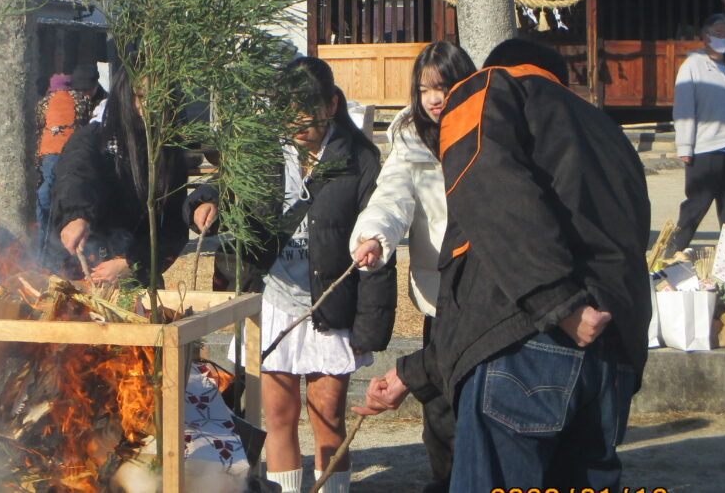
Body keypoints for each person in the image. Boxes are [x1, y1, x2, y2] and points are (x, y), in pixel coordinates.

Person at [354, 39, 651, 492]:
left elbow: (494, 199)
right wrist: (410, 374)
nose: (438, 98)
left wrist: (559, 304)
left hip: (529, 340)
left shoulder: (490, 89)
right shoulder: (605, 128)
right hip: (613, 352)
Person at [186, 57, 395, 493]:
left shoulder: (360, 161)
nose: (298, 120)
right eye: (287, 108)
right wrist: (201, 204)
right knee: (278, 418)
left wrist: (369, 327)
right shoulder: (262, 153)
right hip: (273, 302)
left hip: (330, 304)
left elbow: (381, 245)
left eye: (308, 107)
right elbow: (223, 188)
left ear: (332, 104)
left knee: (328, 417)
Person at [347, 41, 474, 493]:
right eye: (425, 90)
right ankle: (444, 480)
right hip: (440, 290)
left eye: (443, 87)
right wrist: (374, 236)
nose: (434, 99)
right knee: (438, 401)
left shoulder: (491, 131)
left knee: (477, 398)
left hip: (487, 290)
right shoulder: (409, 138)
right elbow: (392, 195)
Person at [51, 69, 189, 284]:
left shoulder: (169, 151)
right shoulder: (93, 139)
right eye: (141, 97)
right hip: (87, 268)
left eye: (158, 99)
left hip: (140, 278)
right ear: (124, 97)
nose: (148, 108)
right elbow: (76, 174)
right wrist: (76, 216)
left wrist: (134, 263)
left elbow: (174, 228)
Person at [669, 13, 725, 252]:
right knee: (695, 207)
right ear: (705, 37)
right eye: (718, 33)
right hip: (705, 149)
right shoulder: (693, 66)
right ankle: (670, 254)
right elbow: (684, 108)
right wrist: (684, 147)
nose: (723, 38)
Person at [36, 65, 97, 258]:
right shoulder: (82, 101)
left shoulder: (45, 102)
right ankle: (64, 250)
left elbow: (38, 127)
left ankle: (44, 250)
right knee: (64, 195)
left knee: (46, 196)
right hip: (72, 156)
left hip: (48, 155)